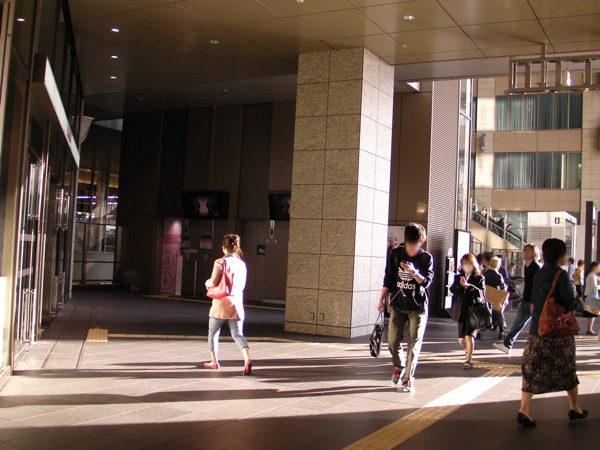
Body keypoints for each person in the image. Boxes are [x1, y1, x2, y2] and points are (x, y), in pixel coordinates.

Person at [517, 238, 599, 427]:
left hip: (538, 329)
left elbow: (533, 298)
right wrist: (583, 304)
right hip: (558, 331)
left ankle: (524, 409)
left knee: (532, 369)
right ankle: (575, 407)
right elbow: (569, 302)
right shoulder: (560, 275)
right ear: (559, 255)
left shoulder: (538, 273)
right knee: (566, 367)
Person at [378, 222, 434, 393]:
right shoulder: (396, 254)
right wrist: (381, 299)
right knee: (392, 340)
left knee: (414, 343)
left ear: (421, 242)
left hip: (418, 307)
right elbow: (389, 278)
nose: (411, 248)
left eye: (415, 245)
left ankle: (408, 379)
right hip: (398, 305)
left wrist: (414, 272)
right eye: (409, 244)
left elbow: (427, 282)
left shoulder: (426, 258)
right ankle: (399, 366)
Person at [204, 234, 253, 375]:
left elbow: (213, 282)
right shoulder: (242, 264)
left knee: (213, 332)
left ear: (223, 247)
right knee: (237, 334)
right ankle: (247, 358)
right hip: (236, 303)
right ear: (236, 248)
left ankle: (214, 361)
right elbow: (242, 285)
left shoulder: (220, 262)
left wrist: (207, 283)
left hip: (221, 303)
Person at [494, 244, 541, 355]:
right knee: (517, 324)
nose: (525, 253)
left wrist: (535, 301)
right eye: (525, 250)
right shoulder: (527, 265)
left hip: (532, 301)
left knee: (536, 326)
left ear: (534, 253)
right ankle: (507, 345)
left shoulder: (536, 267)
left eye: (528, 251)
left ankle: (538, 348)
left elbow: (536, 286)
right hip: (526, 300)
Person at [450, 254, 485, 370]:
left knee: (469, 336)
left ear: (473, 264)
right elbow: (452, 290)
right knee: (461, 339)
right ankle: (469, 351)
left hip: (474, 312)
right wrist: (460, 285)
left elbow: (482, 293)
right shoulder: (458, 277)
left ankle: (468, 360)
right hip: (461, 311)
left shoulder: (479, 278)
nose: (467, 266)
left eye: (469, 264)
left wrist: (469, 286)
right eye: (464, 264)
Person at [483, 254, 507, 340]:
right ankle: (501, 331)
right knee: (498, 313)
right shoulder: (498, 276)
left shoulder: (485, 274)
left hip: (486, 297)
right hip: (495, 298)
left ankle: (480, 331)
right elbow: (503, 288)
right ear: (498, 265)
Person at [583, 261, 600, 336]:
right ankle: (589, 329)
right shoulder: (592, 275)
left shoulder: (592, 275)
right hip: (590, 296)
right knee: (591, 313)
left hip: (590, 296)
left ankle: (590, 329)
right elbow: (595, 286)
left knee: (592, 313)